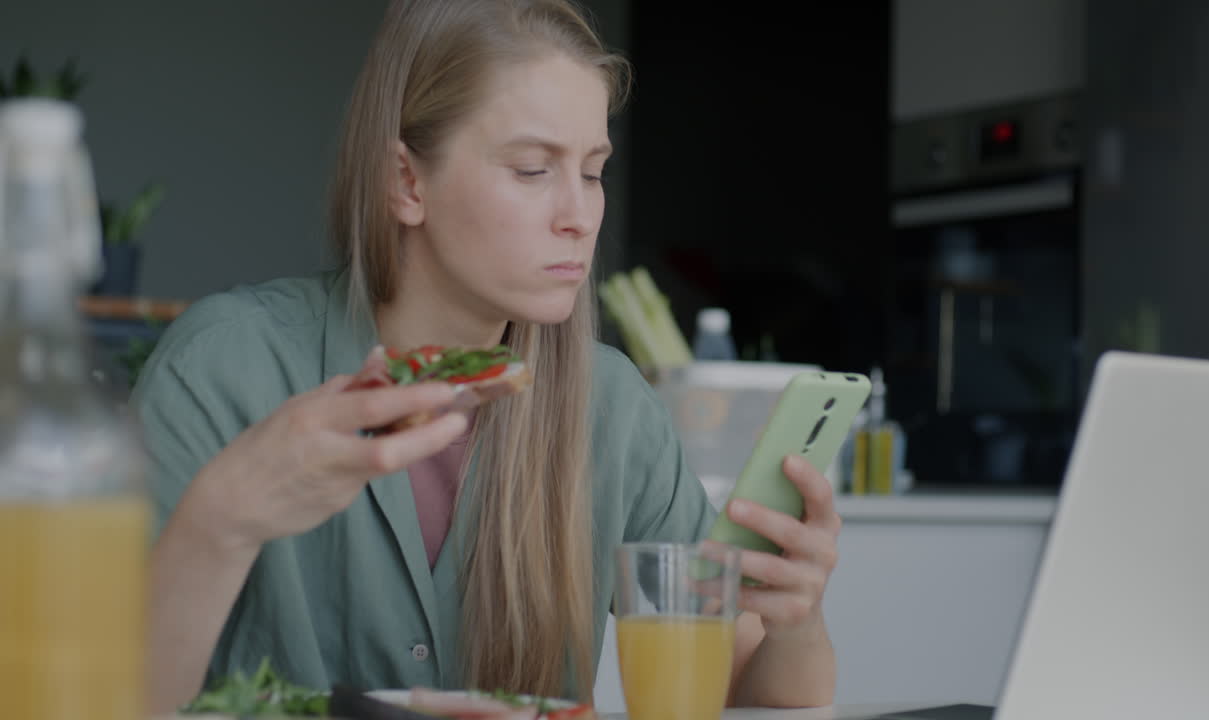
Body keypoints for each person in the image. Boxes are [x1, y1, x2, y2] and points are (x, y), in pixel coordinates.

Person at [136, 0, 842, 714]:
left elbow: (747, 688)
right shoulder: (224, 368)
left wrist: (795, 616)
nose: (579, 215)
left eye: (594, 172)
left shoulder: (614, 407)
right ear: (407, 182)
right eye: (534, 169)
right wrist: (220, 522)